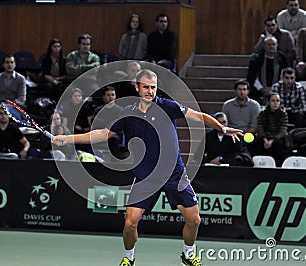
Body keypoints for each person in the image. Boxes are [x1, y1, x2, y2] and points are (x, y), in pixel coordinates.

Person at [52, 69, 243, 266]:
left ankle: (188, 254)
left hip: (173, 174)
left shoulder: (167, 106)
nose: (150, 91)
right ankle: (129, 258)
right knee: (129, 224)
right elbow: (102, 133)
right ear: (137, 87)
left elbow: (197, 115)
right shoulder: (127, 113)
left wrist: (221, 128)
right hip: (146, 177)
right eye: (146, 87)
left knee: (194, 220)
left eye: (153, 87)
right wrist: (67, 138)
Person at [247, 36, 290, 104]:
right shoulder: (257, 59)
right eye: (269, 44)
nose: (271, 47)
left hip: (279, 90)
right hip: (259, 90)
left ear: (277, 45)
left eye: (273, 44)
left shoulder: (282, 58)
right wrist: (261, 88)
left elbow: (285, 75)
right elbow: (253, 77)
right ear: (264, 46)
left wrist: (274, 88)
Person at [0, 55, 27, 122]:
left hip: (13, 104)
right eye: (7, 62)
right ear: (3, 65)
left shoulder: (21, 79)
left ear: (15, 65)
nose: (9, 65)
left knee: (23, 107)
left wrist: (10, 105)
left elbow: (22, 98)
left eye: (11, 62)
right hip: (0, 104)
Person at [256, 92, 289, 165]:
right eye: (273, 101)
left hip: (277, 137)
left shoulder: (283, 114)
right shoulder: (262, 113)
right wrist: (265, 139)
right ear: (269, 102)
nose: (275, 103)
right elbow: (260, 127)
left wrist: (272, 141)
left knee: (278, 145)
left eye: (277, 101)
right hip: (265, 136)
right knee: (259, 143)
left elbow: (283, 130)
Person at [92, 86, 124, 160]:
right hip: (100, 133)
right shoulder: (98, 110)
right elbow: (94, 125)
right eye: (108, 95)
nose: (111, 97)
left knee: (113, 139)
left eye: (113, 95)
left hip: (113, 135)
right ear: (104, 96)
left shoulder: (119, 110)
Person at [62, 88, 93, 152]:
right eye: (75, 96)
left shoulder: (87, 110)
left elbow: (91, 127)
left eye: (79, 96)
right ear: (71, 98)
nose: (77, 98)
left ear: (82, 98)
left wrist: (83, 129)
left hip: (84, 134)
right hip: (71, 133)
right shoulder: (67, 111)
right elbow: (64, 126)